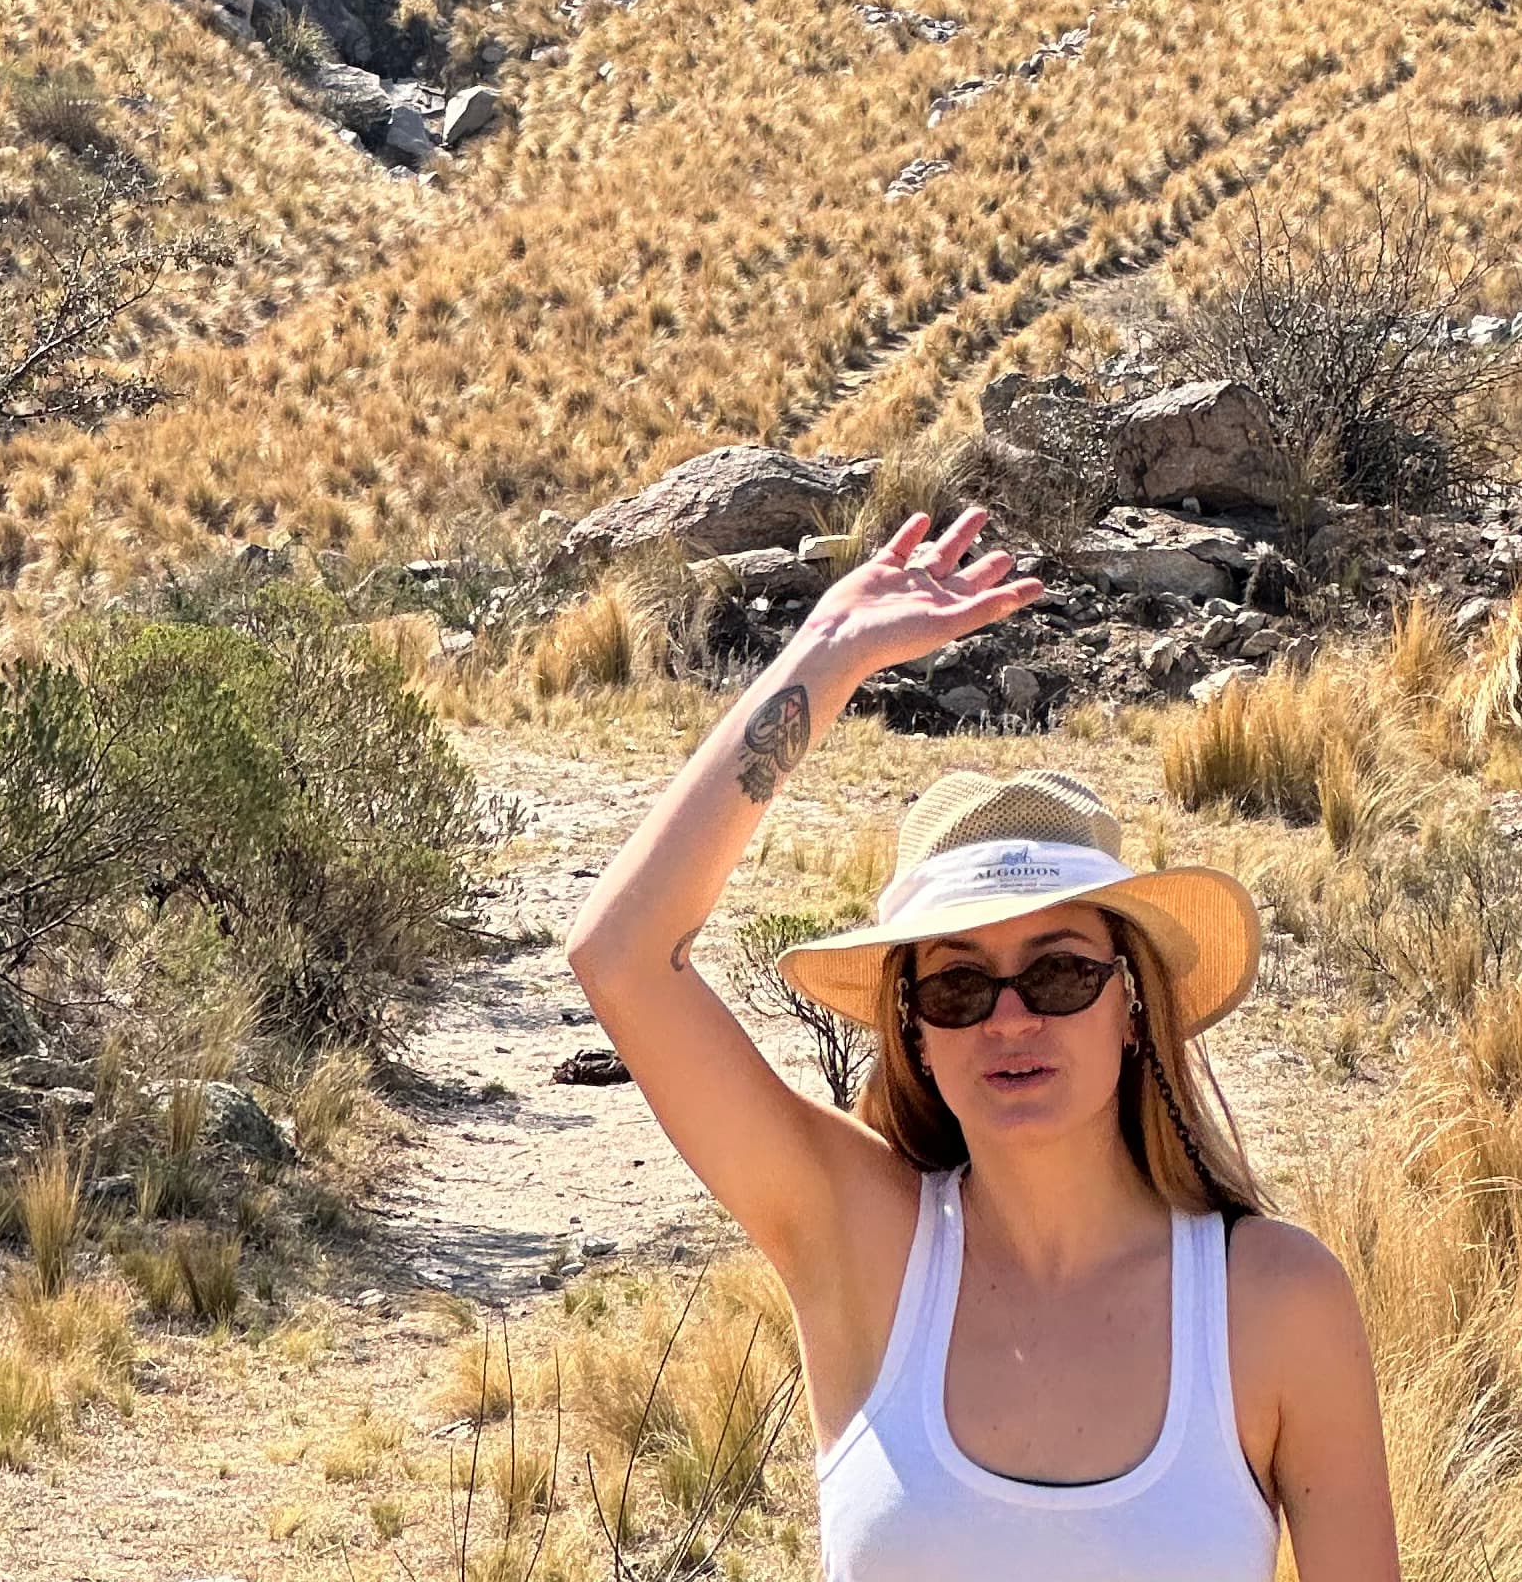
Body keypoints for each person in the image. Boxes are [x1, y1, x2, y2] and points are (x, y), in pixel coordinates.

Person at [567, 505, 1399, 1582]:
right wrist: (827, 654)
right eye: (958, 984)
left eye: (1058, 972)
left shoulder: (1275, 1303)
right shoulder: (864, 1245)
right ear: (912, 1026)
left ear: (1130, 1000)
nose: (1012, 1019)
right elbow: (622, 957)